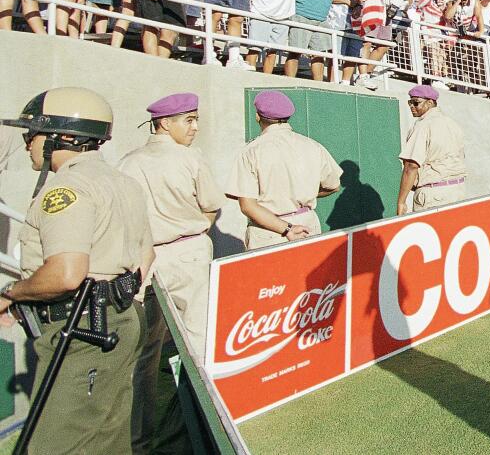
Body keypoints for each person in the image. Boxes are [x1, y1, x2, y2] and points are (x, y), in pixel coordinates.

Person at [0, 87, 153, 454]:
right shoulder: (123, 182)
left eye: (32, 134)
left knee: (55, 444)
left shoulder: (67, 188)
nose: (28, 145)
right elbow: (145, 257)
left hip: (82, 328)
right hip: (120, 317)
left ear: (63, 137)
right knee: (107, 438)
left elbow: (66, 274)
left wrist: (11, 295)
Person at [120, 93, 221, 454]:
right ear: (164, 123)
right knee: (199, 348)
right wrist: (194, 229)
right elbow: (211, 207)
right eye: (187, 120)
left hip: (146, 258)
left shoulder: (128, 162)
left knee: (148, 356)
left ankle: (145, 440)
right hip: (187, 252)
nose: (194, 127)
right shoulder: (189, 158)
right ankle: (209, 433)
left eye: (195, 119)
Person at [225, 91, 342, 250]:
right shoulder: (312, 145)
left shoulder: (251, 151)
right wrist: (299, 195)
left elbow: (247, 206)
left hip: (270, 231)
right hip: (307, 225)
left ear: (258, 117)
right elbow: (333, 185)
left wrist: (286, 228)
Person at [397, 85, 467, 215]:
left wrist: (401, 202)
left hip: (433, 194)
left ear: (430, 102)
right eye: (409, 102)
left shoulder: (423, 125)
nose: (411, 106)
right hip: (458, 190)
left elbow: (411, 166)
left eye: (415, 102)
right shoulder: (452, 124)